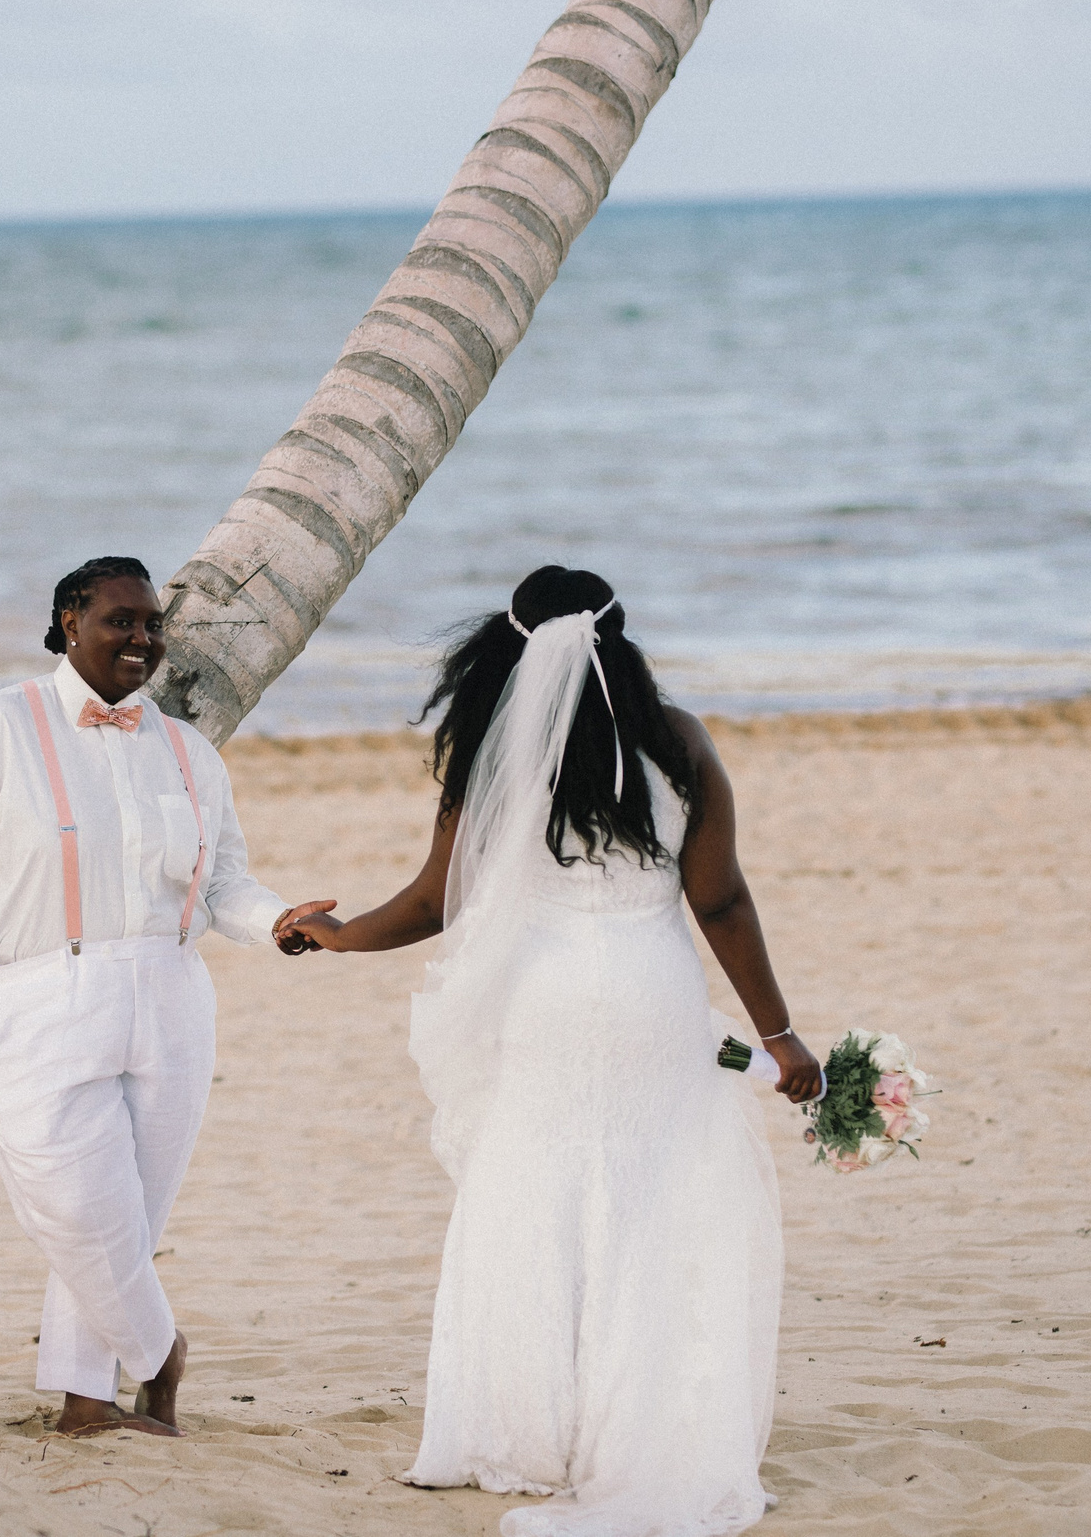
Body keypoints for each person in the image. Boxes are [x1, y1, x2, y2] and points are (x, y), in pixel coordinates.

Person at [276, 565, 819, 1537]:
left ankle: (526, 1433)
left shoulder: (497, 749)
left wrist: (343, 934)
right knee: (652, 1195)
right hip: (651, 993)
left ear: (512, 647)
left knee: (534, 1188)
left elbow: (435, 898)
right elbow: (721, 898)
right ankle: (638, 1423)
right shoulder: (677, 741)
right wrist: (777, 1033)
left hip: (544, 999)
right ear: (621, 636)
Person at [0, 556, 321, 1438]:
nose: (142, 639)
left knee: (129, 1215)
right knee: (77, 1209)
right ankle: (161, 1353)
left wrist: (277, 921)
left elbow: (223, 881)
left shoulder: (188, 752)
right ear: (69, 621)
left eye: (152, 624)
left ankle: (87, 1400)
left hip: (169, 994)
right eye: (121, 620)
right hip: (33, 999)